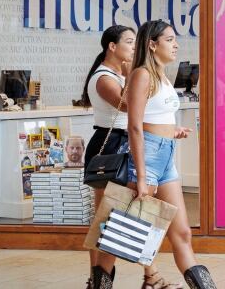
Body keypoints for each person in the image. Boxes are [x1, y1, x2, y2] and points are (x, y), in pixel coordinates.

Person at [120, 20, 216, 289]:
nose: (175, 45)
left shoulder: (161, 74)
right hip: (148, 156)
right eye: (169, 40)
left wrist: (173, 130)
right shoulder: (142, 74)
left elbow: (156, 116)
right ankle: (101, 280)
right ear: (152, 44)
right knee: (130, 235)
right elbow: (135, 126)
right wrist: (140, 175)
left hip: (166, 156)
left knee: (182, 232)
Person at [80, 25, 150, 289]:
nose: (134, 47)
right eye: (130, 42)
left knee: (127, 213)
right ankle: (97, 278)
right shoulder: (104, 77)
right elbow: (128, 104)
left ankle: (144, 275)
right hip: (110, 146)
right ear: (112, 46)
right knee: (105, 216)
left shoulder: (121, 73)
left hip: (125, 142)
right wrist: (134, 72)